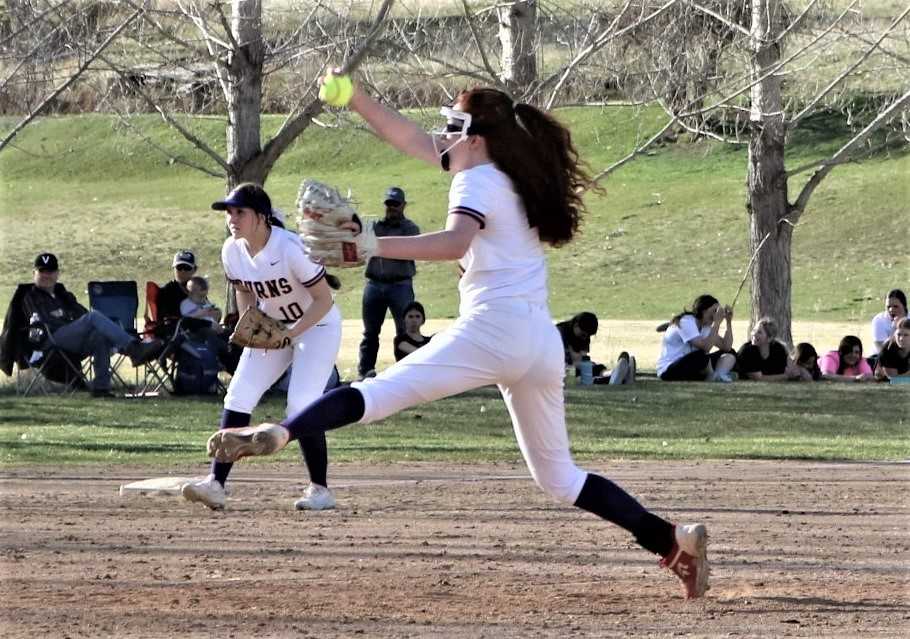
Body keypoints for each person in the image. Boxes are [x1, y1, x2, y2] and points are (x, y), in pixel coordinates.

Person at [206, 82, 710, 599]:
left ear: (475, 138)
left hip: (494, 329)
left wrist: (375, 243)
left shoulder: (475, 181)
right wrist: (353, 97)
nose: (441, 134)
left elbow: (454, 242)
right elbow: (408, 137)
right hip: (539, 340)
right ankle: (671, 541)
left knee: (380, 392)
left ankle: (282, 431)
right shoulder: (509, 173)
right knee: (559, 477)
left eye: (452, 126)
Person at [181, 183, 343, 512]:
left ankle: (320, 490)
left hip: (318, 327)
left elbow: (324, 300)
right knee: (238, 395)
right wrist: (250, 322)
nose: (232, 218)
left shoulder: (290, 248)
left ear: (261, 217)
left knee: (301, 403)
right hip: (273, 328)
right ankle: (215, 484)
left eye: (240, 212)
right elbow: (243, 289)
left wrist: (292, 334)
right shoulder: (232, 250)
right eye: (229, 212)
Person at [22, 253, 162, 397]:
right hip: (49, 340)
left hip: (72, 339)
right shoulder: (30, 296)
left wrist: (68, 319)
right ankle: (134, 349)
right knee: (93, 316)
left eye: (50, 271)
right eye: (42, 271)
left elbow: (81, 314)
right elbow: (42, 322)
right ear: (34, 273)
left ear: (57, 274)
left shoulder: (63, 295)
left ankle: (101, 388)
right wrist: (67, 319)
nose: (46, 275)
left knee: (99, 336)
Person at [357, 186, 420, 379]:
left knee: (405, 332)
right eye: (389, 203)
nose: (392, 207)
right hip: (374, 284)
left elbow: (409, 251)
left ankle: (405, 373)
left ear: (403, 205)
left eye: (396, 204)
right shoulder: (374, 227)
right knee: (370, 333)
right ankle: (365, 372)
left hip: (400, 286)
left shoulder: (410, 229)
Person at [656, 294, 736, 382]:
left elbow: (726, 347)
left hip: (691, 367)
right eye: (714, 311)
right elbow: (706, 347)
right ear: (703, 310)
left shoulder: (705, 326)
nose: (716, 315)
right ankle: (713, 376)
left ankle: (719, 375)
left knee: (730, 352)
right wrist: (717, 323)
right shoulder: (686, 321)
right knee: (701, 355)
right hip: (669, 370)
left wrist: (728, 321)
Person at [736, 317, 802, 382]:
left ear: (769, 338)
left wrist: (794, 373)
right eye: (754, 330)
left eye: (759, 332)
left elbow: (794, 371)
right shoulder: (747, 350)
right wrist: (786, 376)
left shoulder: (779, 349)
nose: (754, 334)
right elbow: (758, 378)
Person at [156, 250, 197, 338]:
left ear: (194, 270)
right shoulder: (167, 291)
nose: (182, 271)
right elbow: (166, 319)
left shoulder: (197, 289)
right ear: (174, 269)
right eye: (179, 267)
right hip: (178, 335)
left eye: (187, 268)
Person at [868, 289, 908, 367]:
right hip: (881, 359)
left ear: (904, 306)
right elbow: (882, 350)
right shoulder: (879, 320)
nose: (891, 310)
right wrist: (894, 329)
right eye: (888, 307)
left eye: (895, 306)